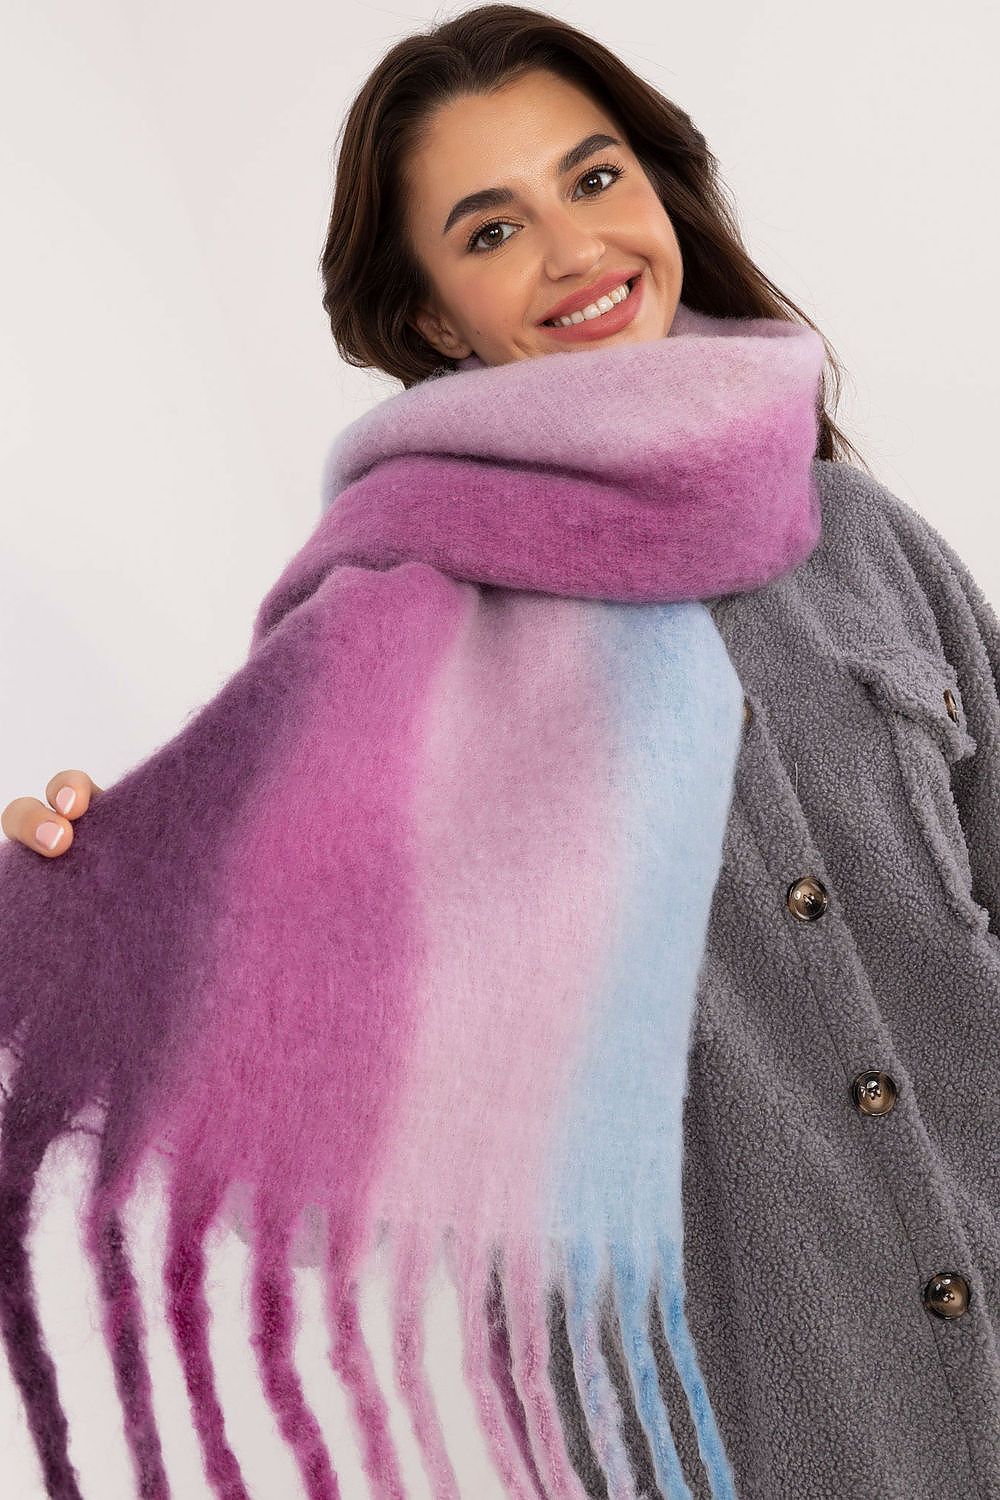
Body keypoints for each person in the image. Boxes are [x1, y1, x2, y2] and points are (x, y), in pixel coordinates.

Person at [4, 6, 1000, 1499]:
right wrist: (86, 896)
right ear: (429, 321)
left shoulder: (863, 541)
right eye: (492, 228)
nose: (576, 248)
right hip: (764, 1445)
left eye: (593, 179)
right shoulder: (387, 650)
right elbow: (297, 1046)